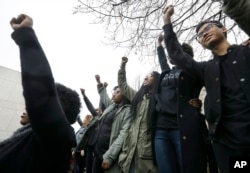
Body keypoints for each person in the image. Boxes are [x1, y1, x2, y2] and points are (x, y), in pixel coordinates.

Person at [162, 5, 250, 173]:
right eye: (200, 35)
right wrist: (167, 22)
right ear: (201, 45)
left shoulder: (245, 53)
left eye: (208, 28)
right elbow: (176, 55)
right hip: (228, 143)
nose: (204, 33)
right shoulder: (206, 69)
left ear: (223, 29)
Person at [0, 14, 82, 173]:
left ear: (56, 113)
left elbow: (40, 93)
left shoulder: (56, 140)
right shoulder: (27, 136)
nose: (27, 108)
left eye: (32, 106)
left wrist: (26, 36)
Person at [154, 34, 217, 173]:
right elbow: (162, 61)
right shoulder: (166, 73)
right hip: (161, 128)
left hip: (181, 127)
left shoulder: (193, 72)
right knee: (166, 168)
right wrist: (159, 45)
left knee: (188, 167)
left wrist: (199, 103)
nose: (170, 55)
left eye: (173, 52)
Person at [118, 57, 160, 173]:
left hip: (147, 158)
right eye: (145, 75)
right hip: (130, 155)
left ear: (157, 80)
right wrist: (122, 66)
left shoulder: (160, 100)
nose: (145, 77)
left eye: (150, 75)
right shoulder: (137, 97)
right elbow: (123, 85)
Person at [90, 83, 132, 173]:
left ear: (125, 95)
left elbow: (123, 135)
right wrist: (99, 83)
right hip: (97, 152)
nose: (114, 93)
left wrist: (110, 156)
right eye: (114, 91)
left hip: (109, 155)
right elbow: (104, 97)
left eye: (118, 92)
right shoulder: (111, 106)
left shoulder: (128, 111)